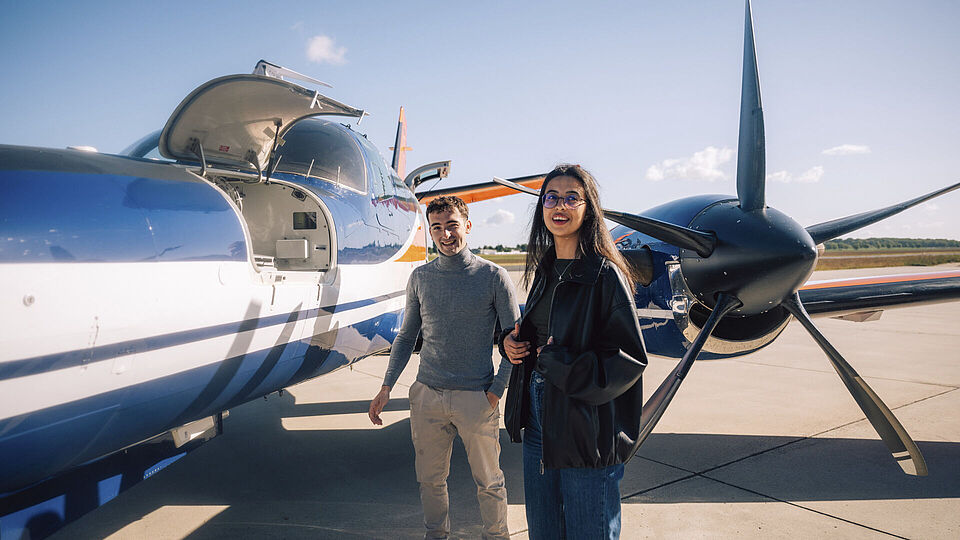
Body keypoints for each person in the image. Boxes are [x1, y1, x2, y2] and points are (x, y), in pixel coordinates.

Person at [500, 164, 647, 539]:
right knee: (544, 531)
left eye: (571, 198)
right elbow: (542, 338)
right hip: (537, 425)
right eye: (551, 197)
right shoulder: (546, 269)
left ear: (588, 208)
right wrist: (512, 345)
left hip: (586, 430)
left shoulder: (604, 275)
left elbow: (627, 361)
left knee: (589, 532)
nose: (559, 205)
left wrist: (558, 364)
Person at [368, 195, 520, 540]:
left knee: (490, 482)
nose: (445, 235)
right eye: (437, 228)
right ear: (429, 231)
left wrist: (497, 391)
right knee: (430, 480)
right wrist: (386, 386)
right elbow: (407, 337)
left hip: (476, 398)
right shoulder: (420, 278)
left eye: (452, 225)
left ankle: (497, 536)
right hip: (427, 396)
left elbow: (516, 342)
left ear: (467, 226)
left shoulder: (494, 277)